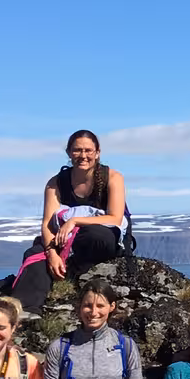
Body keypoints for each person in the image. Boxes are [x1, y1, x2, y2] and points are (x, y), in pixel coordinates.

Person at [11, 130, 130, 314]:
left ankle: (74, 273)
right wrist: (51, 253)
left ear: (97, 153)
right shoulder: (56, 183)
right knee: (35, 255)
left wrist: (74, 221)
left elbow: (115, 217)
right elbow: (47, 225)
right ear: (68, 153)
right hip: (63, 241)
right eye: (77, 150)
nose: (83, 156)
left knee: (97, 236)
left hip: (102, 239)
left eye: (89, 151)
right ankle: (27, 310)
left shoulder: (113, 178)